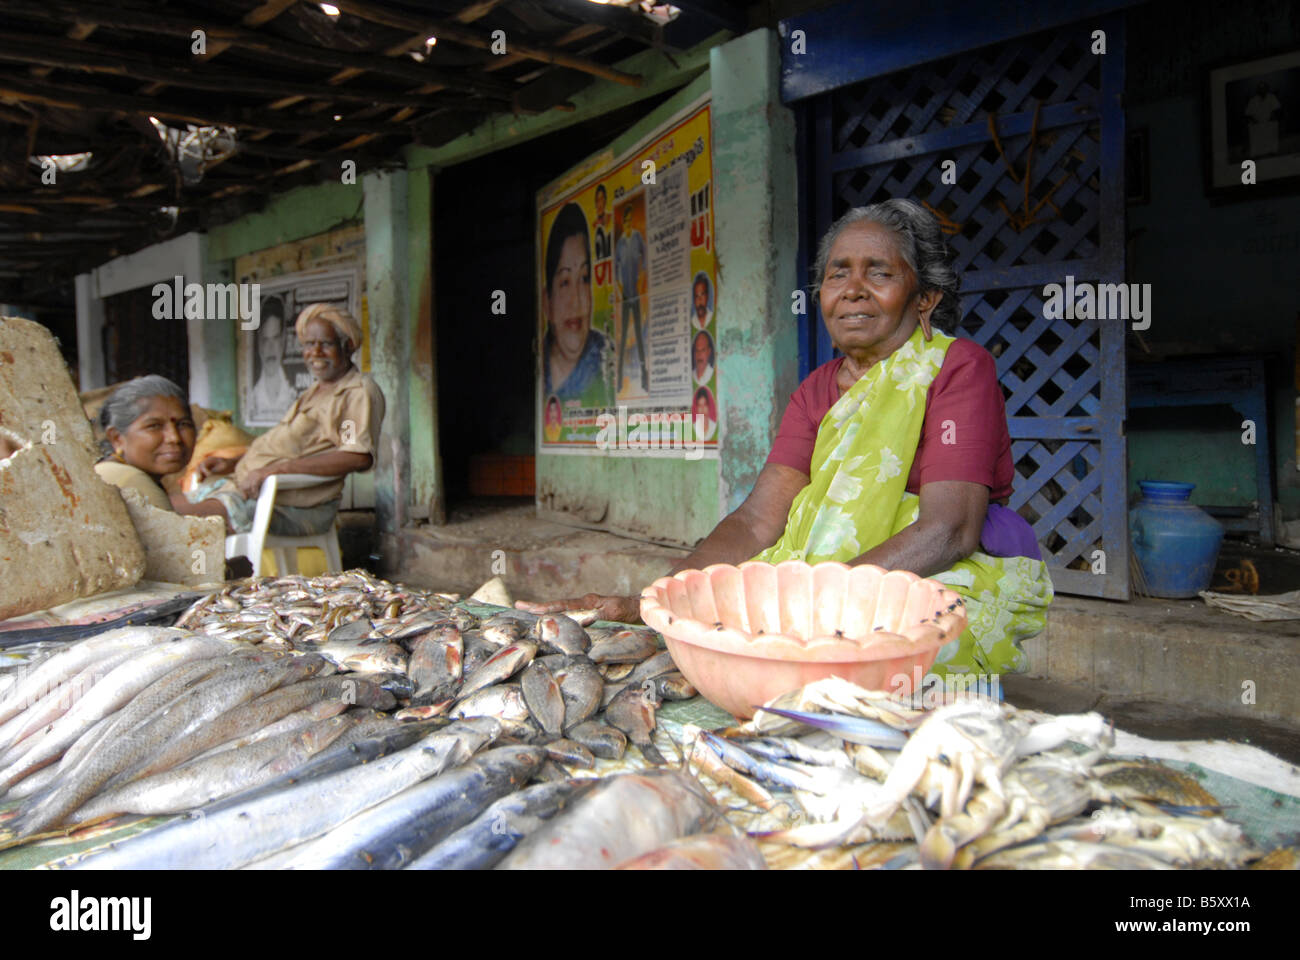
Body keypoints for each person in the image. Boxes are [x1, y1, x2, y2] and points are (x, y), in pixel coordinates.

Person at [520, 199, 1053, 681]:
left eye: (880, 273)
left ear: (925, 299)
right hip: (821, 583)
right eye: (837, 274)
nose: (852, 290)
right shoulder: (816, 390)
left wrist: (813, 608)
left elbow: (950, 530)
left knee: (865, 672)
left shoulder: (957, 367)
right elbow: (757, 521)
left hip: (926, 579)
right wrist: (656, 598)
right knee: (718, 649)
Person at [187, 303, 385, 537]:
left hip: (289, 506)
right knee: (161, 505)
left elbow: (355, 456)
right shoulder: (314, 391)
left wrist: (274, 470)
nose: (316, 352)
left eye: (326, 343)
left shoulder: (354, 393)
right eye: (309, 344)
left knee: (175, 519)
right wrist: (233, 462)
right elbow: (289, 447)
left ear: (348, 346)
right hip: (245, 488)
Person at [93, 375, 196, 512]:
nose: (174, 438)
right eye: (154, 426)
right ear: (117, 438)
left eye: (183, 424)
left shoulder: (107, 471)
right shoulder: (132, 482)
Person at [542, 203, 611, 407]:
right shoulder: (538, 367)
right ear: (547, 302)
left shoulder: (605, 358)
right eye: (564, 282)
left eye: (584, 278)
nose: (577, 300)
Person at [615, 204, 648, 393]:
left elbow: (645, 256)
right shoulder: (620, 243)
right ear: (623, 222)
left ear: (632, 221)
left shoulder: (637, 238)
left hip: (636, 294)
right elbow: (614, 269)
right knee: (622, 341)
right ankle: (619, 382)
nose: (627, 224)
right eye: (624, 221)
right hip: (626, 296)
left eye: (629, 221)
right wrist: (620, 289)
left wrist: (642, 278)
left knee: (640, 335)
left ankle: (644, 379)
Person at [248, 298, 297, 421]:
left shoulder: (294, 392)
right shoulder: (252, 395)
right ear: (259, 343)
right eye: (265, 339)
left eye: (275, 338)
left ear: (283, 339)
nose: (270, 348)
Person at [1245, 80, 1281, 157]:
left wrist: (1272, 116)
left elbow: (1277, 109)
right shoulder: (1253, 100)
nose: (1262, 90)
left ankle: (1272, 151)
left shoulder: (1272, 97)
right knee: (1252, 128)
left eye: (1264, 88)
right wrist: (1254, 120)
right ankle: (1257, 153)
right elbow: (1248, 114)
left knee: (1273, 125)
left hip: (1269, 121)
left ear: (1267, 89)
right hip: (1257, 123)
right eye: (1260, 88)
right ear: (1258, 90)